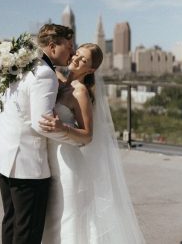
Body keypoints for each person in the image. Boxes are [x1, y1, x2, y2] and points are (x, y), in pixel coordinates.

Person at [0, 23, 84, 244]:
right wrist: (75, 138)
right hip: (24, 166)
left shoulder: (20, 64)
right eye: (69, 46)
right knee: (27, 231)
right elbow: (43, 125)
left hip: (0, 155)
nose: (73, 51)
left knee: (11, 220)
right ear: (52, 46)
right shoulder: (44, 74)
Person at [39, 43, 145, 243]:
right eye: (77, 54)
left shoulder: (80, 92)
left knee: (68, 219)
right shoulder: (59, 81)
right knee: (52, 219)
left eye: (83, 60)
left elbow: (88, 136)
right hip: (50, 160)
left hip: (69, 164)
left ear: (91, 69)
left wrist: (63, 128)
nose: (76, 59)